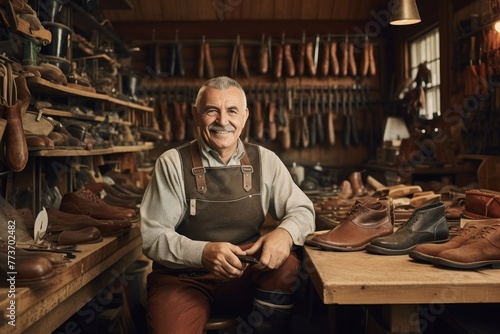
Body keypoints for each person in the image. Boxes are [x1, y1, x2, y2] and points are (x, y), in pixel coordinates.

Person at [140, 76, 315, 333]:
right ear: (196, 114)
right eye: (212, 111)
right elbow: (152, 236)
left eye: (232, 111)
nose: (223, 121)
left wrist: (285, 234)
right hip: (183, 280)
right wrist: (203, 252)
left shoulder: (266, 161)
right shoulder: (172, 163)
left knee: (287, 264)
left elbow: (303, 210)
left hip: (244, 274)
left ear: (244, 116)